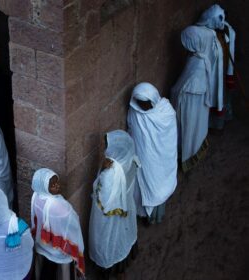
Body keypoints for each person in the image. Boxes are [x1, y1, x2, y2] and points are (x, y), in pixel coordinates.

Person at [89, 130, 139, 279]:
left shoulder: (110, 174)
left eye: (107, 146)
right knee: (121, 239)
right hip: (126, 213)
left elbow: (101, 197)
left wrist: (103, 171)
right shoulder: (131, 161)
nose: (105, 150)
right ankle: (121, 271)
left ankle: (108, 270)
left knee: (108, 243)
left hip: (108, 222)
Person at [127, 82, 178, 224]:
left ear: (153, 100)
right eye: (139, 103)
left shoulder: (166, 112)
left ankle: (156, 217)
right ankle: (146, 216)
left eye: (145, 103)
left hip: (161, 160)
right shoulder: (135, 112)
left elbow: (169, 137)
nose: (142, 106)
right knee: (146, 186)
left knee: (157, 187)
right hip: (145, 160)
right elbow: (132, 131)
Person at [171, 26, 215, 172]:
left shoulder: (197, 64)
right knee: (197, 126)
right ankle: (195, 148)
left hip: (190, 103)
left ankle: (186, 154)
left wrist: (174, 92)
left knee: (188, 129)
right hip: (198, 100)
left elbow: (181, 87)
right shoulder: (202, 56)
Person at [31, 168, 85, 280]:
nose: (57, 186)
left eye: (57, 182)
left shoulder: (36, 196)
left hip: (42, 245)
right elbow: (72, 226)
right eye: (52, 185)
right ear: (43, 186)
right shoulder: (59, 206)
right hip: (59, 252)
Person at [196, 4, 236, 131]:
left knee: (220, 96)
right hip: (209, 74)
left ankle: (219, 124)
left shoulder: (228, 31)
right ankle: (208, 126)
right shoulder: (205, 33)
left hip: (221, 72)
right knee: (210, 97)